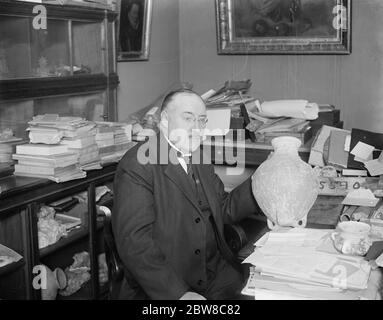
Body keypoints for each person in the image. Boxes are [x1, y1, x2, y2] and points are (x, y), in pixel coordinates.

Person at [112, 89, 264, 300]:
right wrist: (179, 294)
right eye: (188, 118)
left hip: (215, 274)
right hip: (167, 285)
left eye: (202, 121)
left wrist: (259, 184)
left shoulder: (198, 157)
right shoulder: (138, 164)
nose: (197, 128)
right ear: (164, 120)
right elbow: (135, 243)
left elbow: (222, 208)